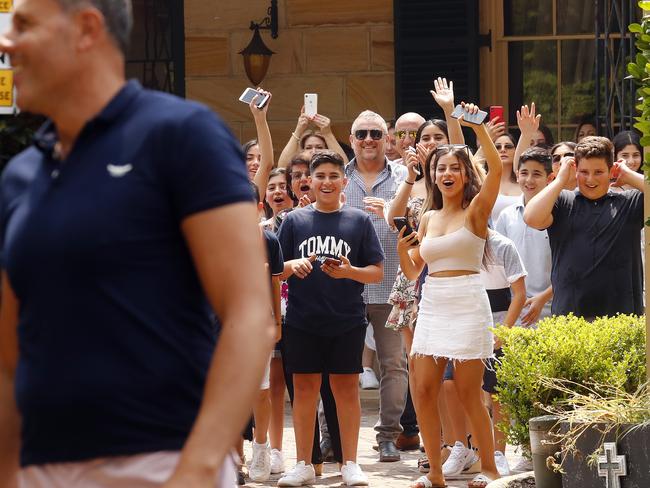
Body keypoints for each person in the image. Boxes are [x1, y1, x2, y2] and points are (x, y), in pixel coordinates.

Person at [0, 1, 274, 488]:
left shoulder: (182, 135)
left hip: (160, 462)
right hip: (40, 470)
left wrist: (198, 467)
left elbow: (250, 315)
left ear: (86, 28)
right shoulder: (20, 176)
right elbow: (8, 357)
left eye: (23, 25)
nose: (6, 42)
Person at [397, 103, 503, 488]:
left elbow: (496, 172)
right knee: (423, 389)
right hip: (433, 302)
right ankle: (435, 472)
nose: (446, 173)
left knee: (467, 392)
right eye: (440, 168)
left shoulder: (476, 211)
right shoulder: (427, 216)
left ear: (464, 174)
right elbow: (413, 271)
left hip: (468, 301)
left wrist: (480, 130)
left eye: (454, 168)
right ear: (432, 174)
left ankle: (489, 469)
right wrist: (401, 250)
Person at [277, 150, 384, 487]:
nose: (326, 182)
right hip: (302, 321)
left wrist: (349, 271)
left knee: (346, 391)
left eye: (333, 176)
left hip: (347, 320)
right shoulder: (294, 221)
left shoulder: (359, 220)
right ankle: (303, 462)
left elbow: (377, 273)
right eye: (319, 176)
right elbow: (276, 270)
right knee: (305, 391)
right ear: (309, 180)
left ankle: (350, 462)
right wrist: (294, 266)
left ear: (345, 181)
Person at [344, 110, 409, 463]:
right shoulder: (338, 177)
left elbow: (417, 221)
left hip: (392, 286)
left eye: (375, 133)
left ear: (387, 138)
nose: (368, 139)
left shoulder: (404, 178)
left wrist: (391, 210)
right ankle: (332, 437)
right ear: (352, 139)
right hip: (346, 288)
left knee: (394, 365)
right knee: (338, 364)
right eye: (361, 133)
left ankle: (387, 436)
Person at [524, 136, 645, 319]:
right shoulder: (563, 201)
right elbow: (531, 217)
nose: (590, 179)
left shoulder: (630, 202)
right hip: (570, 321)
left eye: (598, 172)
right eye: (584, 172)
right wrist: (560, 180)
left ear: (611, 170)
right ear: (575, 170)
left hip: (621, 321)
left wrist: (629, 175)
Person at [496, 147, 554, 326]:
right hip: (514, 312)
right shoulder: (506, 215)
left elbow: (570, 267)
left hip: (552, 311)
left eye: (536, 174)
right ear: (517, 174)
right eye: (524, 173)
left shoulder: (560, 214)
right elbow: (499, 265)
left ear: (550, 178)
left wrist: (543, 298)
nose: (529, 180)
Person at [277, 105, 348, 168]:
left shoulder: (331, 170)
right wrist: (298, 131)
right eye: (308, 148)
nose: (314, 152)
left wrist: (327, 133)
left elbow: (345, 167)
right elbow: (282, 168)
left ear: (327, 150)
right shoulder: (298, 170)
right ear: (301, 151)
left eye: (319, 147)